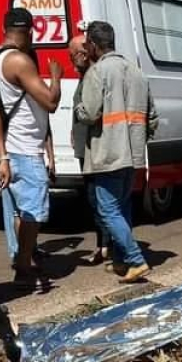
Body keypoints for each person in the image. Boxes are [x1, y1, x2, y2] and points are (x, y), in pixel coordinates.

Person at [73, 21, 159, 284]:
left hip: (107, 152)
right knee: (122, 207)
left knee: (108, 209)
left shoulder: (97, 72)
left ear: (94, 46)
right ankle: (121, 260)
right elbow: (152, 117)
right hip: (131, 153)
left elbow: (89, 112)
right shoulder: (137, 72)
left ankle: (134, 259)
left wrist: (76, 108)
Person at [0, 8, 61, 287]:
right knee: (34, 213)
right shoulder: (18, 60)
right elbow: (51, 102)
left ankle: (24, 263)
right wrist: (55, 76)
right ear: (29, 31)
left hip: (12, 148)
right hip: (25, 149)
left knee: (21, 212)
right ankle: (22, 264)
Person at [69, 31, 109, 266]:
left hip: (94, 148)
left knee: (98, 199)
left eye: (72, 55)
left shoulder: (94, 75)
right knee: (94, 198)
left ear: (84, 54)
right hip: (85, 146)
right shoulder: (85, 76)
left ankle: (105, 246)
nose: (71, 59)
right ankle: (103, 244)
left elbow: (91, 111)